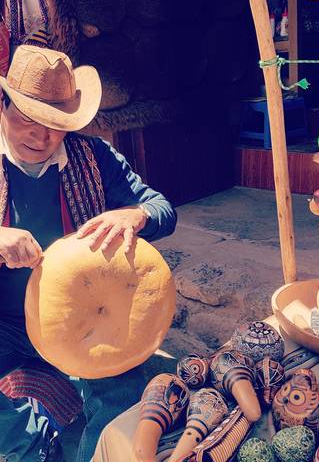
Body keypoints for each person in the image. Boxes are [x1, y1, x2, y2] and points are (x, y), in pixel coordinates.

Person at [0, 44, 177, 461]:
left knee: (123, 395)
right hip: (5, 323)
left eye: (54, 124)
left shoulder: (94, 157)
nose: (40, 137)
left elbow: (162, 209)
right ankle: (26, 447)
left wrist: (134, 216)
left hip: (83, 326)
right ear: (3, 106)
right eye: (27, 119)